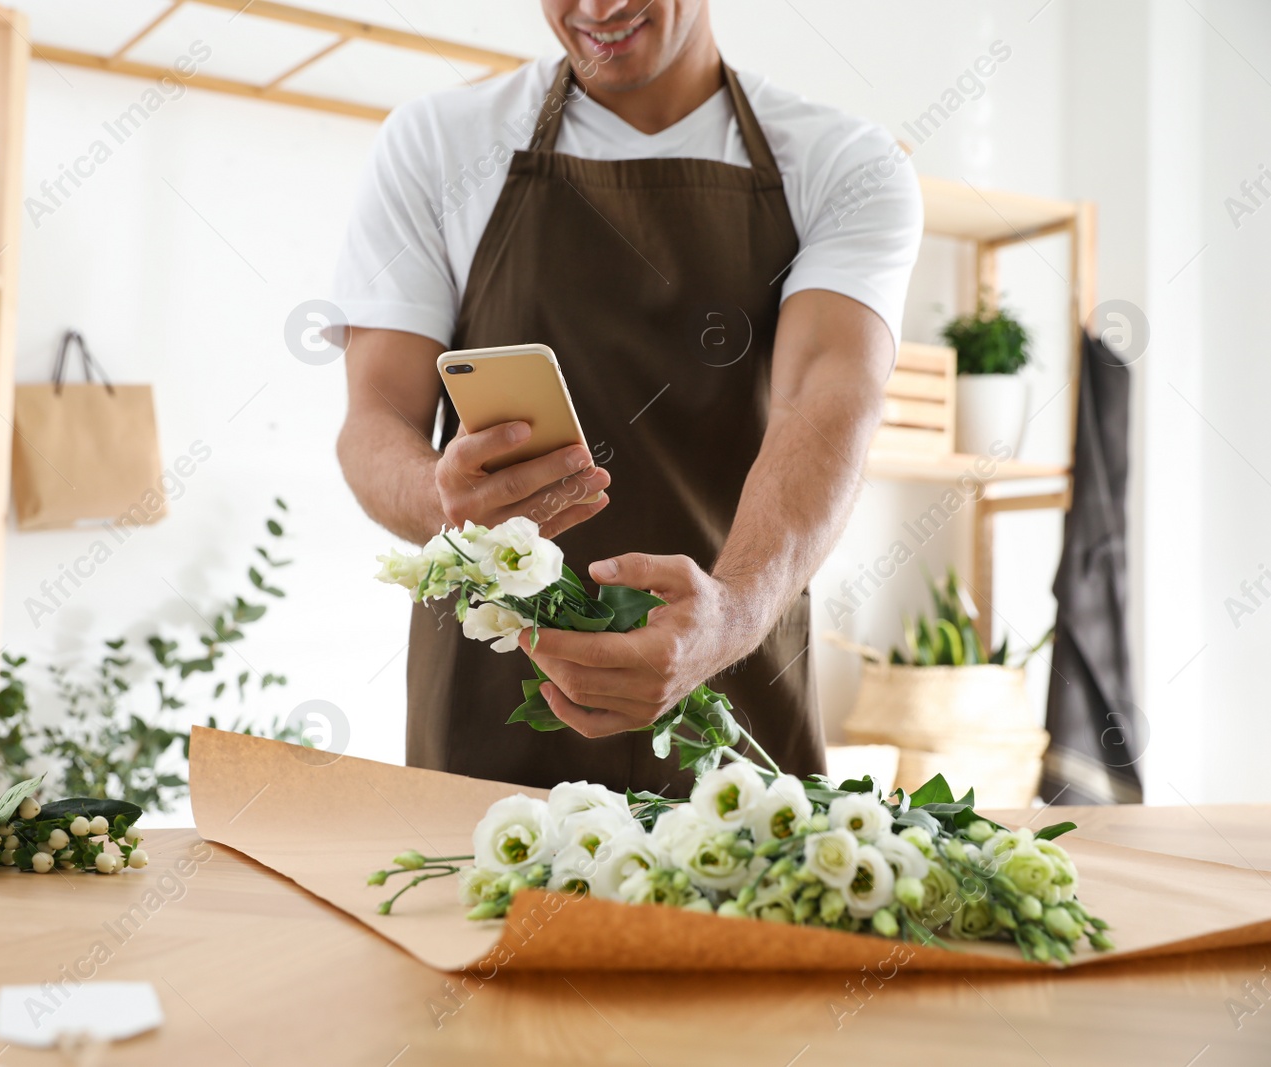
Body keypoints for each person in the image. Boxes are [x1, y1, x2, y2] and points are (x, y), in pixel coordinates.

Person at [333, 0, 922, 792]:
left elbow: (824, 407)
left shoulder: (845, 163)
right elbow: (375, 420)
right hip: (492, 706)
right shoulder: (439, 144)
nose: (598, 8)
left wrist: (732, 616)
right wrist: (441, 504)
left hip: (731, 694)